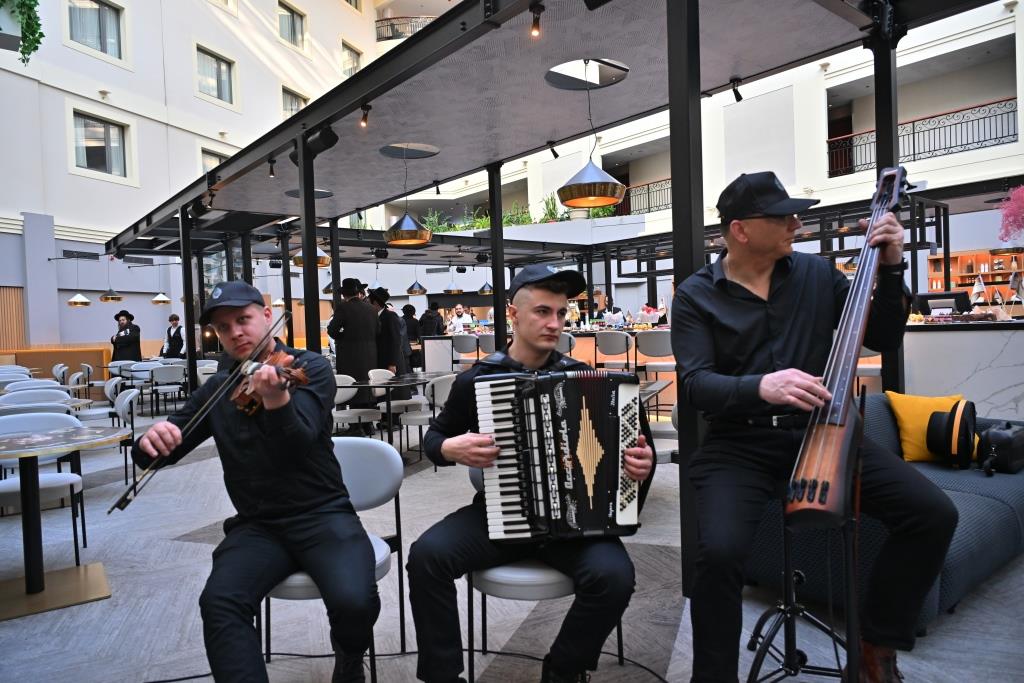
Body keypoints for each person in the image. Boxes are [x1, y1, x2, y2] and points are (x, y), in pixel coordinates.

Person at [671, 171, 958, 683]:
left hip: (823, 430)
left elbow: (884, 337)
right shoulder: (696, 295)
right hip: (739, 442)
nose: (795, 223)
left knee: (932, 513)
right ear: (740, 230)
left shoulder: (818, 275)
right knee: (716, 555)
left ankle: (876, 647)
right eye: (781, 216)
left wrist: (891, 268)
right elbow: (695, 385)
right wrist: (760, 386)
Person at [407, 265, 657, 683]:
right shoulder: (478, 380)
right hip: (502, 513)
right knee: (426, 557)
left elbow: (637, 455)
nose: (554, 323)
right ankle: (443, 675)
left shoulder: (591, 378)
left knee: (614, 577)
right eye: (543, 311)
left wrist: (640, 467)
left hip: (578, 524)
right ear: (514, 313)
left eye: (561, 313)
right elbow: (435, 438)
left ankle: (563, 670)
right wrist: (449, 447)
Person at [131, 280, 380, 683]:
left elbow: (298, 444)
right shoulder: (217, 389)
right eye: (223, 327)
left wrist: (277, 402)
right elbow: (163, 448)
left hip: (323, 514)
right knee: (220, 602)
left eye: (243, 319)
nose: (235, 333)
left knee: (355, 602)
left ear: (266, 316)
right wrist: (148, 443)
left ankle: (350, 657)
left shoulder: (308, 368)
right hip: (259, 525)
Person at [327, 278, 379, 420]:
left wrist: (344, 335)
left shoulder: (343, 307)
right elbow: (378, 331)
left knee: (353, 387)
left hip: (350, 354)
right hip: (371, 354)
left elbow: (332, 330)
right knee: (367, 387)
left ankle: (356, 424)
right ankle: (368, 423)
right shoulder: (372, 309)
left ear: (344, 294)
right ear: (358, 293)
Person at [367, 287, 411, 400]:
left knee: (393, 394)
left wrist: (392, 363)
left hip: (391, 362)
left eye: (368, 300)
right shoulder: (376, 317)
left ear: (375, 302)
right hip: (382, 360)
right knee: (384, 394)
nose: (367, 303)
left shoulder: (390, 316)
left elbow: (396, 340)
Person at [402, 304, 422, 370]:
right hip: (414, 345)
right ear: (413, 312)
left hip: (403, 345)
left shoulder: (400, 320)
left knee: (406, 364)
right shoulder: (415, 321)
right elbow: (419, 334)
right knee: (414, 364)